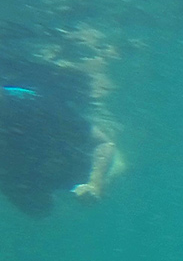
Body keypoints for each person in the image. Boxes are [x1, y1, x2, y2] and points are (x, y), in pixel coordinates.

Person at [0, 55, 123, 218]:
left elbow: (104, 144)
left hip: (72, 171)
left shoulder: (32, 104)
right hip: (29, 185)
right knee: (41, 215)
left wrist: (95, 184)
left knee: (120, 167)